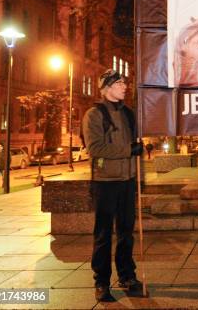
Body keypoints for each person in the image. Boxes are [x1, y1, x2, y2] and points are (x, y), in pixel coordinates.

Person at [82, 69, 144, 302]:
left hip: (127, 181)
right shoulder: (94, 115)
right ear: (106, 87)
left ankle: (127, 276)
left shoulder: (128, 113)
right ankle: (101, 281)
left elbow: (135, 143)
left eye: (124, 82)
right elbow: (95, 148)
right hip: (105, 183)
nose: (124, 86)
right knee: (104, 234)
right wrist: (129, 150)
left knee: (126, 233)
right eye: (119, 83)